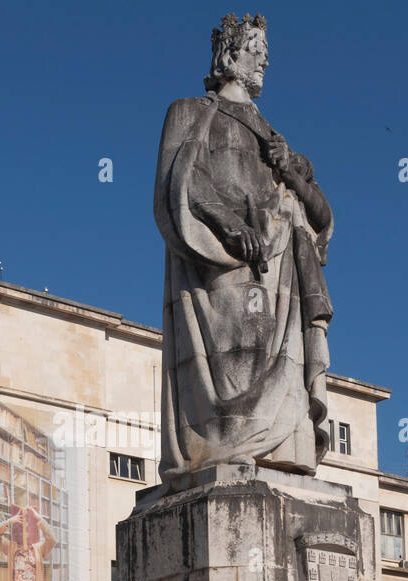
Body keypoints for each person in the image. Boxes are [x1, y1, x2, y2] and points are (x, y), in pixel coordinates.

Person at [152, 13, 334, 494]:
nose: (265, 62)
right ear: (230, 55)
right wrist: (231, 226)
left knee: (278, 364)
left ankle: (282, 449)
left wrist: (291, 173)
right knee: (231, 370)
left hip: (278, 275)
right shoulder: (188, 112)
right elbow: (181, 182)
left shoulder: (277, 140)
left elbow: (320, 214)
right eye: (257, 51)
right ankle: (219, 447)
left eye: (267, 54)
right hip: (218, 266)